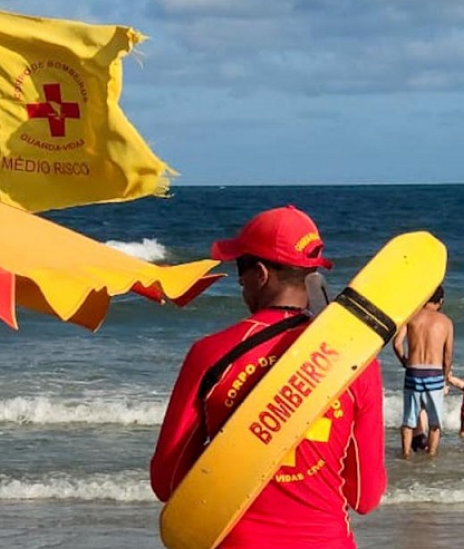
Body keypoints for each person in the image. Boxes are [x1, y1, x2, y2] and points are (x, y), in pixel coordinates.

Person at [150, 205, 387, 549]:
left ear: (260, 273)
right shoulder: (357, 362)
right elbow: (365, 496)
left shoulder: (210, 355)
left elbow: (166, 481)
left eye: (240, 270)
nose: (239, 283)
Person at [392, 285, 453, 458]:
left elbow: (397, 343)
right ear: (440, 301)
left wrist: (405, 362)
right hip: (434, 373)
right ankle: (431, 455)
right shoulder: (446, 322)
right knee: (434, 423)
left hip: (413, 371)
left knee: (409, 420)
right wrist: (445, 377)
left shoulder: (411, 318)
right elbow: (448, 355)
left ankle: (405, 455)